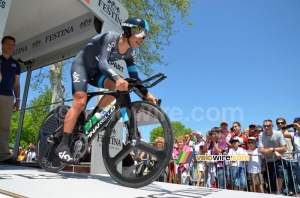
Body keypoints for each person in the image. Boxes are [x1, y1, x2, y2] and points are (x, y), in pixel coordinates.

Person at [55, 17, 157, 164]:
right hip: (82, 66)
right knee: (80, 102)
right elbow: (103, 63)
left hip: (96, 72)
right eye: (141, 34)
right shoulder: (111, 37)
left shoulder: (130, 54)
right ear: (129, 31)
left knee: (119, 89)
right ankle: (63, 146)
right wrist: (117, 78)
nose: (142, 39)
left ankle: (95, 114)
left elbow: (135, 78)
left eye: (145, 37)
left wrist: (147, 94)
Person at [0, 36, 21, 165]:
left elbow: (17, 84)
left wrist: (18, 98)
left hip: (8, 97)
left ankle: (3, 156)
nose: (10, 46)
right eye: (8, 44)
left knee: (4, 127)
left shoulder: (16, 64)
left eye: (12, 45)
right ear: (2, 44)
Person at [259, 119, 287, 195]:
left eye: (268, 126)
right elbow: (261, 149)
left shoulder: (278, 134)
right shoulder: (261, 135)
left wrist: (272, 149)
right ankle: (274, 193)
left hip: (279, 158)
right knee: (271, 179)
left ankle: (279, 192)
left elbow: (284, 148)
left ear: (272, 126)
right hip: (268, 160)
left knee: (280, 173)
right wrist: (273, 151)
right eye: (264, 126)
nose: (266, 127)